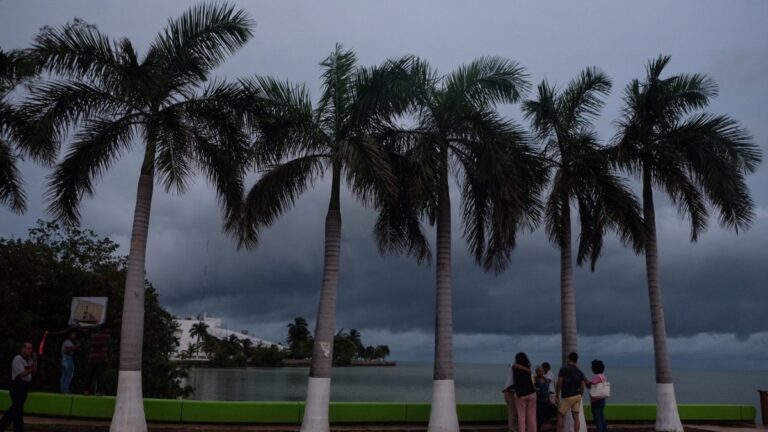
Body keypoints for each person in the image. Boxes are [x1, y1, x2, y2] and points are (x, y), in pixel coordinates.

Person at [0, 342, 36, 432]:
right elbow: (21, 374)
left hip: (25, 386)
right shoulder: (17, 359)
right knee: (18, 410)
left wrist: (34, 362)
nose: (30, 351)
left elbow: (34, 373)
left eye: (31, 348)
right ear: (23, 349)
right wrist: (31, 368)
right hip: (17, 385)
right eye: (29, 348)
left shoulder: (30, 360)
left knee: (15, 409)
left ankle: (2, 426)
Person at [555, 352, 585, 432]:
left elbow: (559, 383)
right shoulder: (579, 371)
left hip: (568, 397)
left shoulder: (564, 369)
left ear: (569, 358)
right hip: (577, 396)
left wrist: (557, 394)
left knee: (560, 415)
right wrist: (580, 395)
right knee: (576, 418)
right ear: (576, 360)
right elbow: (582, 386)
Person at [512, 352, 536, 432]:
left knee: (521, 416)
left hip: (521, 394)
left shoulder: (515, 367)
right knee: (532, 416)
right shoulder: (528, 367)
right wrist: (526, 369)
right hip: (531, 392)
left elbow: (514, 366)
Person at [86, 327, 110, 395]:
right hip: (100, 359)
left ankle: (86, 390)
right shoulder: (104, 336)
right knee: (100, 376)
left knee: (90, 375)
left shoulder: (93, 336)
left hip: (92, 359)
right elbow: (107, 337)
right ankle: (99, 391)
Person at [586, 359, 608, 432]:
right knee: (602, 418)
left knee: (597, 420)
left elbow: (590, 386)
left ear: (595, 368)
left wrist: (585, 381)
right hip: (602, 400)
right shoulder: (603, 376)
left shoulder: (597, 377)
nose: (591, 368)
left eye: (592, 367)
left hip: (596, 401)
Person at [535, 365, 556, 430]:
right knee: (540, 418)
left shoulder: (546, 380)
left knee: (548, 415)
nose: (541, 373)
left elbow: (547, 390)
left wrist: (550, 400)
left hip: (546, 401)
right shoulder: (534, 380)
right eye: (539, 371)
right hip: (538, 402)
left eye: (542, 371)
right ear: (536, 372)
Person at [503, 360, 518, 432]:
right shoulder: (515, 367)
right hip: (510, 392)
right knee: (513, 413)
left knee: (512, 413)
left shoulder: (511, 366)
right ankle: (513, 429)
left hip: (508, 392)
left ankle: (513, 428)